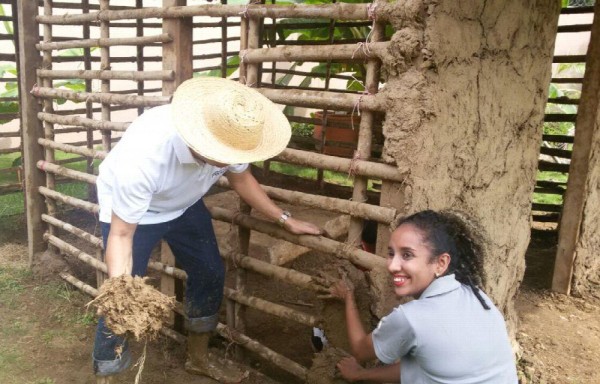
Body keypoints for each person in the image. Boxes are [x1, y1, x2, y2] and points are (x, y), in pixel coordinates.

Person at [93, 77, 323, 383]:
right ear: (201, 141)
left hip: (184, 205)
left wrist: (283, 218)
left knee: (210, 271)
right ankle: (108, 372)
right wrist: (121, 287)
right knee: (121, 296)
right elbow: (122, 235)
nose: (234, 161)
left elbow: (242, 180)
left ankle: (198, 358)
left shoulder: (230, 136)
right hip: (137, 212)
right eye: (225, 156)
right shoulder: (144, 159)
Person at [323, 210, 518, 383]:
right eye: (391, 253)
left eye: (407, 255)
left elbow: (360, 350)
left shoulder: (411, 318)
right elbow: (424, 369)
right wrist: (361, 375)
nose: (392, 265)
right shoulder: (474, 296)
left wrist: (348, 297)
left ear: (441, 263)